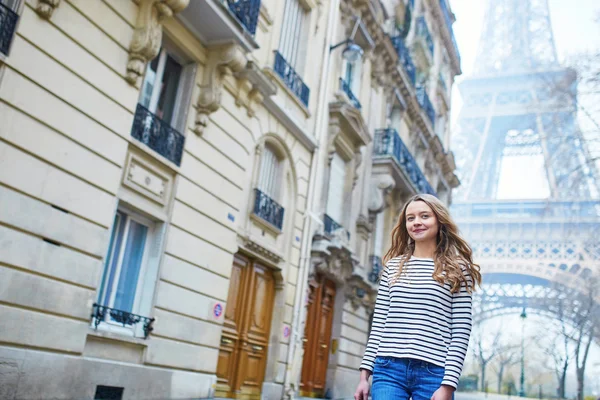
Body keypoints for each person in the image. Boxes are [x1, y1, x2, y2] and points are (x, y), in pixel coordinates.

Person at [354, 194, 481, 400]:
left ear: (439, 220)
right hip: (388, 369)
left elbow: (460, 330)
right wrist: (364, 376)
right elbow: (379, 324)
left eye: (424, 216)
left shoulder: (458, 269)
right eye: (410, 218)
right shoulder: (393, 267)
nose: (417, 222)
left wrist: (448, 385)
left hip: (434, 373)